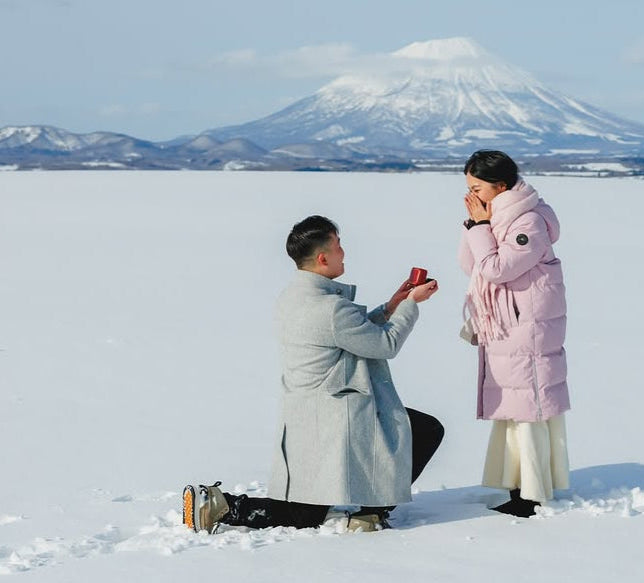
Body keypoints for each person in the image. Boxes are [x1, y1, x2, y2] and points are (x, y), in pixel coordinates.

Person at [183, 215, 443, 534]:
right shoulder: (331, 308)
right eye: (338, 245)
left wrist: (391, 306)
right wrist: (411, 304)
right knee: (424, 430)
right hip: (339, 418)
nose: (344, 252)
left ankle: (219, 504)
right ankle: (371, 514)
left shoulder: (293, 298)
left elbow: (351, 333)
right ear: (323, 258)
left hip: (305, 418)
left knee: (304, 514)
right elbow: (384, 344)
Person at [458, 150, 571, 517]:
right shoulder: (498, 217)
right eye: (468, 188)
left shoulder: (528, 222)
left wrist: (480, 227)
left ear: (501, 186)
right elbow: (471, 265)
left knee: (528, 409)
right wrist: (476, 225)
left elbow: (497, 269)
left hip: (527, 329)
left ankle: (532, 493)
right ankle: (515, 485)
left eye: (477, 188)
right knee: (512, 406)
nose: (471, 195)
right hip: (508, 325)